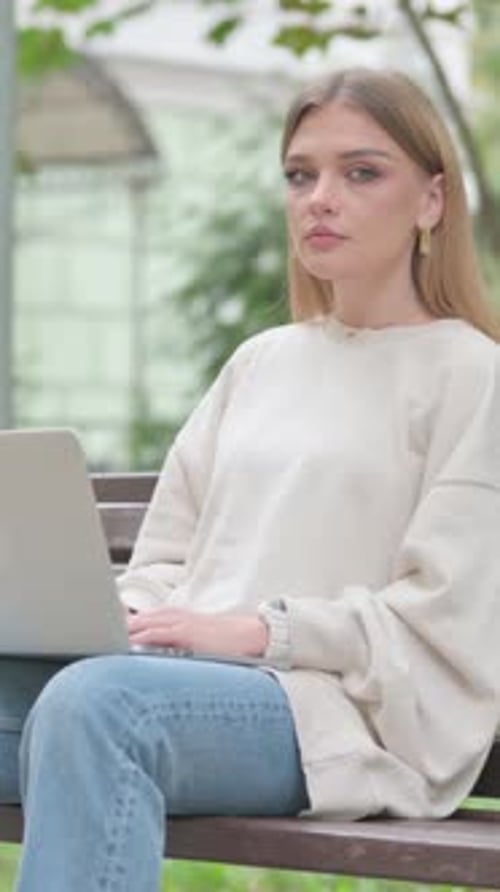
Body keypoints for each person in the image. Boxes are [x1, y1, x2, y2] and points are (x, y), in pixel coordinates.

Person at [1, 66, 500, 891]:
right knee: (94, 696)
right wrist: (128, 614)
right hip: (178, 682)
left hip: (336, 715)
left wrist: (258, 632)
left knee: (102, 706)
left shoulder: (473, 376)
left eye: (361, 172)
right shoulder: (261, 363)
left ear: (432, 200)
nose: (321, 199)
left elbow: (443, 616)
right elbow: (167, 557)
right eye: (301, 175)